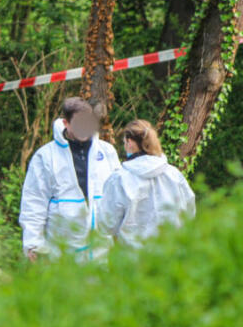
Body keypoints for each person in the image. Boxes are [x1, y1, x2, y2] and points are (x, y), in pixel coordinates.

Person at [19, 97, 120, 261]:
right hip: (62, 250)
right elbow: (34, 202)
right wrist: (33, 243)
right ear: (66, 123)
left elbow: (118, 196)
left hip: (102, 250)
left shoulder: (107, 152)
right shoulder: (46, 156)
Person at [96, 120, 196, 249]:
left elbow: (106, 224)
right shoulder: (174, 174)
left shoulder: (120, 179)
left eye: (124, 142)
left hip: (133, 255)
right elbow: (189, 212)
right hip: (171, 253)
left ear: (129, 142)